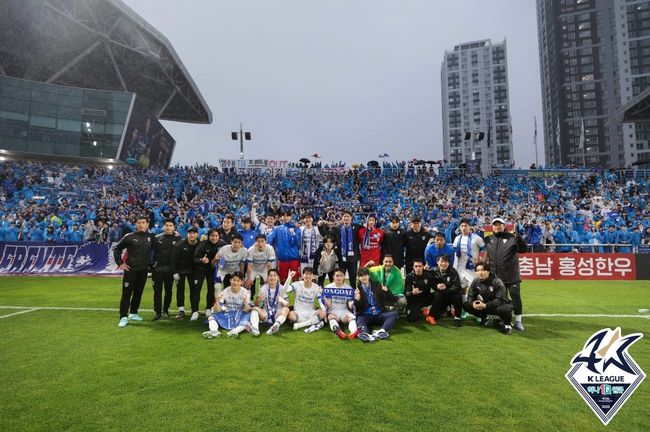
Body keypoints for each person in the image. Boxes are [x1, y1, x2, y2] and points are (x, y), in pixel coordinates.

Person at [484, 217, 528, 331]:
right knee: (499, 299)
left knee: (515, 297)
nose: (497, 226)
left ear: (504, 226)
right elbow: (487, 254)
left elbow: (523, 250)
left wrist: (519, 239)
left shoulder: (512, 238)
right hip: (496, 277)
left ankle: (518, 321)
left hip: (512, 275)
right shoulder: (488, 239)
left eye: (500, 224)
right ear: (492, 227)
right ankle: (500, 318)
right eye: (495, 224)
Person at [112, 215, 154, 328]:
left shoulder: (151, 237)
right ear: (136, 224)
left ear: (147, 224)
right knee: (127, 293)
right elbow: (117, 249)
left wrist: (176, 235)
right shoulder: (129, 236)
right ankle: (123, 317)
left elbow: (161, 242)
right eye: (139, 223)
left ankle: (133, 313)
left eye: (143, 222)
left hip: (143, 270)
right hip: (131, 270)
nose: (141, 225)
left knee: (138, 292)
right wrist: (120, 263)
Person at [462, 262, 513, 335]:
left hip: (500, 304)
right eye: (478, 270)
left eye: (483, 270)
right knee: (466, 305)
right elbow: (470, 296)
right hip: (486, 305)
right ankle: (489, 318)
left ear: (488, 271)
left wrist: (485, 305)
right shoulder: (476, 281)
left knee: (504, 309)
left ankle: (507, 325)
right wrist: (472, 303)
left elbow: (500, 299)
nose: (480, 272)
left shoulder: (497, 281)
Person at [201, 272, 253, 339]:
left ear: (241, 282)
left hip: (240, 315)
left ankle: (235, 332)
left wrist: (245, 302)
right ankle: (214, 331)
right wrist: (217, 301)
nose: (235, 282)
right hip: (228, 313)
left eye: (238, 281)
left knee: (248, 316)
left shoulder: (245, 292)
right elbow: (215, 310)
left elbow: (247, 310)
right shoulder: (225, 291)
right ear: (230, 280)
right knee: (211, 316)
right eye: (234, 280)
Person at [353, 267, 398, 342]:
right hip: (366, 315)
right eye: (361, 276)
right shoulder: (358, 289)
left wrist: (387, 291)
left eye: (365, 275)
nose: (364, 277)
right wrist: (357, 300)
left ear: (369, 276)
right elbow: (358, 308)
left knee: (394, 314)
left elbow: (392, 299)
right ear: (359, 278)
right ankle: (366, 335)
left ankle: (381, 331)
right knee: (360, 319)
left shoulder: (377, 285)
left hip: (378, 314)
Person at [452, 218, 485, 316]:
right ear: (459, 227)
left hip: (472, 268)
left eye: (466, 226)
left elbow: (484, 249)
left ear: (469, 227)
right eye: (462, 226)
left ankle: (479, 311)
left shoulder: (477, 238)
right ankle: (465, 309)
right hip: (460, 267)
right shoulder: (457, 238)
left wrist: (481, 260)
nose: (463, 228)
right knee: (463, 289)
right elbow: (454, 252)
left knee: (476, 290)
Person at [151, 219, 182, 320]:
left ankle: (165, 310)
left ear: (174, 227)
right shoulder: (157, 238)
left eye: (170, 225)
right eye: (167, 225)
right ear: (163, 227)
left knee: (168, 291)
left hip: (170, 269)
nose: (168, 227)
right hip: (158, 269)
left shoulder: (178, 238)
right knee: (157, 291)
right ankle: (157, 312)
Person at [193, 228, 225, 318]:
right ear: (208, 236)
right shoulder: (202, 244)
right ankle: (195, 311)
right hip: (200, 269)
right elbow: (194, 259)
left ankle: (208, 309)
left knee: (211, 290)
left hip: (212, 271)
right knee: (196, 289)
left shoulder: (222, 244)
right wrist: (201, 260)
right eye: (212, 235)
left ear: (219, 236)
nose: (214, 238)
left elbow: (230, 249)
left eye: (216, 236)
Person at [249, 269, 290, 336]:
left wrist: (282, 300)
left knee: (286, 309)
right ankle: (255, 329)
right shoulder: (263, 288)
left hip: (277, 313)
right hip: (266, 313)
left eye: (274, 275)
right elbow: (256, 304)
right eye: (270, 276)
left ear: (278, 277)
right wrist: (259, 300)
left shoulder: (282, 288)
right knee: (255, 309)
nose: (272, 277)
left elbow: (288, 304)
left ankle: (275, 326)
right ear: (267, 278)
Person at [321, 268, 358, 340]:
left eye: (341, 276)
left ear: (344, 277)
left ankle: (353, 332)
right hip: (333, 310)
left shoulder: (349, 288)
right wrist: (324, 296)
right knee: (331, 317)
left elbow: (350, 305)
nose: (339, 278)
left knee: (351, 318)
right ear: (333, 277)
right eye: (337, 276)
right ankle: (337, 331)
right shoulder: (328, 288)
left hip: (344, 310)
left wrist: (355, 299)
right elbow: (329, 305)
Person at [285, 268, 326, 333]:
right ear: (303, 275)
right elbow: (285, 290)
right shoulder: (297, 284)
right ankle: (312, 322)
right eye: (306, 274)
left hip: (311, 312)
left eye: (310, 274)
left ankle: (301, 325)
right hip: (298, 312)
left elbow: (321, 302)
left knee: (323, 314)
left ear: (313, 276)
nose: (308, 276)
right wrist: (289, 277)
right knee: (291, 315)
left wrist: (323, 309)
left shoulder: (316, 287)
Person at [171, 226, 199, 320]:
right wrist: (174, 271)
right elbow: (173, 258)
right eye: (190, 233)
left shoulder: (200, 244)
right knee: (180, 289)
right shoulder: (180, 244)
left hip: (193, 271)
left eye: (194, 233)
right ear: (187, 234)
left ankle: (194, 310)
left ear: (197, 234)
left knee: (194, 290)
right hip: (180, 270)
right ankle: (181, 310)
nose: (192, 235)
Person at [329, 210, 362, 289]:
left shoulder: (357, 227)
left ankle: (353, 297)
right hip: (342, 259)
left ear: (351, 218)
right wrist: (321, 226)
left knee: (353, 279)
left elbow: (367, 231)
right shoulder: (337, 229)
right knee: (340, 278)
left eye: (348, 216)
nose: (346, 218)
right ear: (342, 218)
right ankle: (341, 296)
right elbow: (327, 235)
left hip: (353, 259)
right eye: (344, 216)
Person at [266, 209, 302, 282]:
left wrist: (293, 234)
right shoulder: (277, 229)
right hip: (282, 259)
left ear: (290, 217)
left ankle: (298, 294)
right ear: (281, 218)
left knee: (296, 281)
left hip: (294, 258)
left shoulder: (296, 228)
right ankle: (282, 294)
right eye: (283, 216)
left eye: (287, 216)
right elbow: (269, 240)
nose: (285, 217)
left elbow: (298, 243)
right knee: (282, 280)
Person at [429, 254, 462, 327]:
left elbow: (457, 287)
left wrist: (446, 289)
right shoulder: (433, 271)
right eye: (441, 261)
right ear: (437, 262)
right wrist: (436, 286)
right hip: (441, 295)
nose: (443, 264)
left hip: (451, 295)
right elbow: (427, 278)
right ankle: (433, 314)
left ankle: (457, 317)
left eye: (446, 262)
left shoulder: (453, 271)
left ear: (449, 263)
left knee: (457, 296)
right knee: (437, 294)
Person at [245, 234, 276, 299]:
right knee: (247, 285)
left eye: (262, 241)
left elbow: (269, 265)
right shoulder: (251, 250)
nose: (260, 243)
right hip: (254, 269)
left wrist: (268, 277)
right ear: (256, 242)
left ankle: (265, 300)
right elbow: (249, 265)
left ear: (266, 241)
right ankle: (248, 300)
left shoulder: (270, 249)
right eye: (258, 241)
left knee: (269, 284)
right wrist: (248, 278)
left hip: (265, 269)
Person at [404, 258, 435, 323]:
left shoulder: (428, 275)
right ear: (413, 267)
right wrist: (412, 292)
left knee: (438, 294)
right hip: (414, 300)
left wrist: (440, 286)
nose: (418, 268)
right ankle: (418, 311)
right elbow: (406, 293)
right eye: (416, 266)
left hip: (425, 298)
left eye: (420, 266)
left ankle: (432, 313)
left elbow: (435, 287)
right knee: (412, 319)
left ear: (423, 267)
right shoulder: (409, 277)